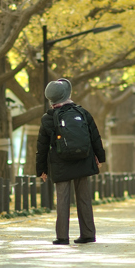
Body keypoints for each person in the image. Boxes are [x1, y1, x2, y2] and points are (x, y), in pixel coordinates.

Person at [36, 78, 106, 245]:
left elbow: (42, 147)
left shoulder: (48, 118)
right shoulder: (82, 112)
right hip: (83, 159)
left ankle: (62, 236)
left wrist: (41, 169)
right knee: (84, 198)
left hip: (60, 163)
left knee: (62, 199)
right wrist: (100, 157)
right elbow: (95, 136)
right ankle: (88, 233)